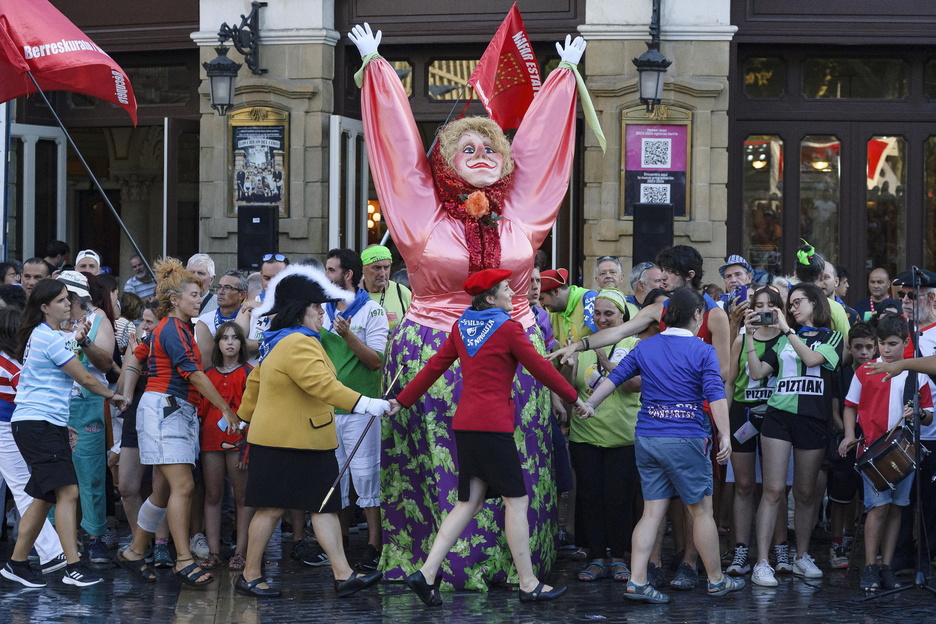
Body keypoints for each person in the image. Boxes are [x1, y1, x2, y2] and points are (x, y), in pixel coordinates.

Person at [350, 21, 600, 588]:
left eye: (490, 146)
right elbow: (397, 152)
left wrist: (562, 81)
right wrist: (378, 70)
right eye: (468, 147)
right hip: (432, 347)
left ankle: (520, 569)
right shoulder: (420, 219)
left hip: (514, 356)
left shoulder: (521, 218)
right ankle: (433, 564)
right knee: (447, 471)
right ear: (445, 161)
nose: (482, 153)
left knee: (512, 471)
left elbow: (541, 156)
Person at [390, 269, 587, 606]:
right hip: (493, 427)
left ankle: (425, 574)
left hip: (466, 424)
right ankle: (528, 583)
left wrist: (402, 400)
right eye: (507, 288)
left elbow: (434, 366)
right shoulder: (509, 328)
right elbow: (540, 368)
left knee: (469, 502)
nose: (513, 292)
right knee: (517, 501)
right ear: (491, 297)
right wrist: (575, 398)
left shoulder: (461, 327)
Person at [577, 287, 743, 603]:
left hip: (648, 438)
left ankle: (638, 581)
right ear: (697, 316)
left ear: (664, 316)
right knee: (701, 511)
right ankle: (717, 580)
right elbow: (716, 394)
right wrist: (724, 434)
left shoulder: (645, 347)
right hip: (686, 439)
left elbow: (614, 379)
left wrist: (590, 404)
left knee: (652, 512)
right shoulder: (702, 350)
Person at [235, 265, 388, 598]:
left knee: (324, 506)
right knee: (272, 508)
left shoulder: (283, 339)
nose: (322, 311)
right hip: (287, 442)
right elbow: (322, 386)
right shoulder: (298, 343)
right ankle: (249, 574)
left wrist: (246, 416)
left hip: (301, 440)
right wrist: (366, 403)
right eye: (316, 306)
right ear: (298, 310)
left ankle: (343, 574)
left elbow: (256, 381)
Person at [115, 257, 240, 587]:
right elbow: (194, 373)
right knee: (183, 485)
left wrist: (127, 393)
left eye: (201, 295)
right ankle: (183, 559)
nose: (200, 300)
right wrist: (225, 409)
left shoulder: (168, 328)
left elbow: (135, 358)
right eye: (195, 295)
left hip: (171, 410)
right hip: (166, 409)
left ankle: (135, 550)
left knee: (161, 491)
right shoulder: (171, 328)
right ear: (175, 300)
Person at [0, 279, 128, 588]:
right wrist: (114, 396)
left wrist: (60, 423)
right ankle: (72, 566)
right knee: (68, 491)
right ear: (44, 307)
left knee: (41, 498)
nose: (67, 304)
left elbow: (46, 380)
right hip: (37, 424)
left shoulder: (47, 336)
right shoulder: (49, 338)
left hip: (41, 423)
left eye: (67, 299)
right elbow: (84, 376)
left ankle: (17, 564)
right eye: (60, 301)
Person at [744, 282, 843, 586]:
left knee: (805, 492)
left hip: (812, 419)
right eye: (792, 303)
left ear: (816, 303)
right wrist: (748, 337)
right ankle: (762, 562)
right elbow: (759, 373)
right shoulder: (785, 338)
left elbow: (813, 360)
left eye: (799, 302)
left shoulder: (832, 336)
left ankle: (801, 556)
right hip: (779, 417)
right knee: (773, 490)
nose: (794, 308)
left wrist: (787, 329)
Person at [839, 313, 933, 590]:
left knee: (897, 510)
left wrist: (916, 413)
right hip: (872, 451)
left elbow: (928, 415)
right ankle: (870, 566)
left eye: (893, 344)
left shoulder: (917, 374)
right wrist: (848, 435)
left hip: (904, 451)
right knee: (877, 509)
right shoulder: (865, 371)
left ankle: (886, 565)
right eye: (882, 343)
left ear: (905, 342)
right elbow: (849, 405)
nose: (886, 349)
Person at [315, 248, 388, 571]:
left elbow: (375, 362)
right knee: (336, 478)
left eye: (331, 270)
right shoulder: (320, 311)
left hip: (362, 408)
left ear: (347, 274)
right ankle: (340, 541)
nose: (326, 276)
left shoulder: (372, 312)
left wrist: (347, 337)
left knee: (366, 477)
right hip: (328, 409)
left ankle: (374, 544)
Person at [565, 289, 640, 584]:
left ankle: (619, 558)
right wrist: (569, 368)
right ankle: (596, 558)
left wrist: (606, 362)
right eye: (597, 314)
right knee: (590, 498)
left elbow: (635, 384)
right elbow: (571, 388)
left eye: (608, 313)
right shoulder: (583, 344)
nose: (601, 319)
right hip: (585, 436)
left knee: (620, 500)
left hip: (623, 437)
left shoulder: (635, 343)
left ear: (623, 316)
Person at [0, 307, 68, 577]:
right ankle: (52, 552)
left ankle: (52, 551)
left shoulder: (10, 362)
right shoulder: (15, 363)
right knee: (26, 487)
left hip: (12, 426)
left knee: (27, 487)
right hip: (12, 427)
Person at [724, 285, 786, 577]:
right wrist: (723, 421)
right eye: (757, 305)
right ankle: (740, 549)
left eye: (769, 305)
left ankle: (781, 547)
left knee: (775, 487)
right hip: (743, 414)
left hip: (776, 415)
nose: (762, 310)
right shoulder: (740, 339)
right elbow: (729, 380)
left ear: (779, 309)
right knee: (744, 485)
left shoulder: (787, 340)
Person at [58, 271, 117, 564]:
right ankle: (58, 539)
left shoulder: (99, 320)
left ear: (76, 297)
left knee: (90, 475)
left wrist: (84, 343)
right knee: (57, 475)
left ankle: (94, 537)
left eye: (64, 296)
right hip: (56, 407)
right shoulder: (52, 320)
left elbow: (106, 363)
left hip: (88, 407)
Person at [199, 321, 253, 571]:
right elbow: (201, 410)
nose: (229, 342)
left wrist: (248, 447)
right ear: (217, 343)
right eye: (224, 338)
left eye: (235, 338)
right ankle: (213, 551)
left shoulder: (249, 373)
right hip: (210, 441)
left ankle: (241, 551)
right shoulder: (207, 375)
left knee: (241, 498)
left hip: (239, 442)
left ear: (242, 343)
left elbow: (254, 413)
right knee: (212, 495)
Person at [827, 322, 876, 569]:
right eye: (858, 347)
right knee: (841, 488)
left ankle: (867, 544)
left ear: (876, 347)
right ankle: (837, 543)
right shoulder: (842, 372)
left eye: (869, 347)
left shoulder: (881, 372)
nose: (864, 352)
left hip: (874, 439)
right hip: (846, 437)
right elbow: (836, 411)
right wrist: (848, 433)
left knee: (872, 494)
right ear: (849, 347)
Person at [194, 269, 250, 368]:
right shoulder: (204, 320)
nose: (220, 292)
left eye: (227, 287)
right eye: (219, 287)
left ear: (242, 295)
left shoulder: (251, 318)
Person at [361, 245, 412, 333]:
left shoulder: (402, 293)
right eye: (377, 268)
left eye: (386, 267)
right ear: (362, 268)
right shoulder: (352, 294)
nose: (382, 273)